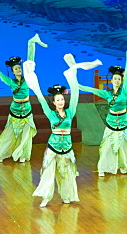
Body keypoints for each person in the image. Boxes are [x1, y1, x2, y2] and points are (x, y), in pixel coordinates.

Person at [22, 54, 101, 207]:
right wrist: (33, 79)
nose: (61, 102)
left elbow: (76, 95)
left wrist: (73, 71)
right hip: (53, 146)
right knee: (49, 172)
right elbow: (39, 98)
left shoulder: (70, 111)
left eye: (62, 99)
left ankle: (67, 195)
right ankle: (46, 196)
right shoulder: (50, 113)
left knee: (67, 172)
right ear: (53, 102)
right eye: (58, 100)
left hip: (67, 146)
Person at [0, 26, 47, 163]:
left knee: (26, 132)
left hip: (27, 108)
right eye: (16, 69)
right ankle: (4, 153)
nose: (18, 70)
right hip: (14, 109)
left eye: (19, 68)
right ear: (13, 71)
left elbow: (30, 60)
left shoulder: (27, 79)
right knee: (12, 132)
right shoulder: (10, 81)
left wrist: (31, 43)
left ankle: (23, 154)